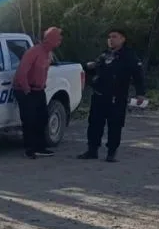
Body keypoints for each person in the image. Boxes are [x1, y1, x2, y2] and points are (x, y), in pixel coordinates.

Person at [78, 28, 146, 163]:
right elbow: (95, 70)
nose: (111, 39)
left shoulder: (129, 56)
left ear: (122, 39)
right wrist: (90, 67)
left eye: (114, 37)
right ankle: (92, 150)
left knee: (115, 125)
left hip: (117, 97)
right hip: (99, 95)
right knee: (94, 123)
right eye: (109, 37)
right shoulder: (105, 54)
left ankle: (111, 152)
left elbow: (138, 75)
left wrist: (140, 94)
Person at [12, 26, 63, 159]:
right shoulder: (33, 52)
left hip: (39, 90)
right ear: (50, 39)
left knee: (43, 117)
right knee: (29, 120)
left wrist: (42, 85)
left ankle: (40, 147)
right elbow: (22, 72)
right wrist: (27, 90)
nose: (60, 40)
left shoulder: (48, 53)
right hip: (26, 90)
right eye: (58, 38)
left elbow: (44, 71)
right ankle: (30, 149)